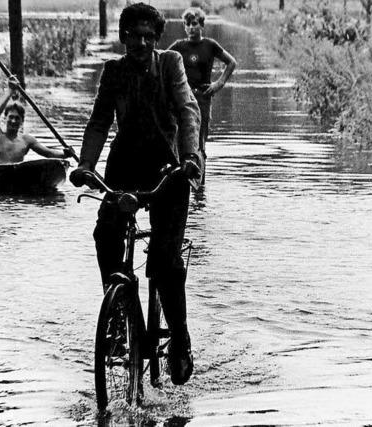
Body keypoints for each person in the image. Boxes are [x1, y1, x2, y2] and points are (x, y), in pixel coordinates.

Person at [70, 2, 202, 385]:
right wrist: (86, 166)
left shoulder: (171, 64)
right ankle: (118, 316)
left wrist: (191, 156)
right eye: (134, 36)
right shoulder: (113, 72)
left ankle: (179, 336)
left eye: (149, 36)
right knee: (105, 233)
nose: (141, 42)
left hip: (171, 169)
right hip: (125, 167)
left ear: (157, 39)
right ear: (123, 37)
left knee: (164, 260)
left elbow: (188, 110)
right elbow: (98, 122)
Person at [168, 7, 237, 183]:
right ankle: (180, 178)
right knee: (179, 136)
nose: (191, 28)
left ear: (202, 25)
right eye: (187, 24)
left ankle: (199, 184)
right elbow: (162, 62)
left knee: (200, 140)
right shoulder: (178, 46)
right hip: (182, 98)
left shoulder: (210, 45)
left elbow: (231, 62)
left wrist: (218, 83)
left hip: (203, 98)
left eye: (194, 24)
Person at [0, 79, 73, 164]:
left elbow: (48, 153)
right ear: (5, 118)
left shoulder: (26, 141)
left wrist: (65, 155)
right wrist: (10, 91)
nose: (13, 121)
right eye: (11, 117)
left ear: (22, 121)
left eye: (17, 118)